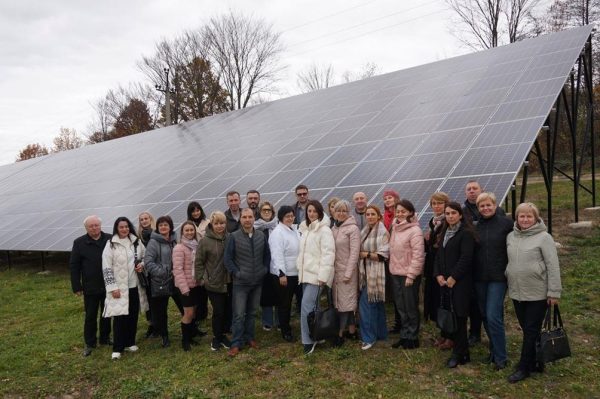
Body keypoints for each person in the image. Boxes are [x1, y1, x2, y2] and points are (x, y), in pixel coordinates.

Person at [505, 202, 561, 383]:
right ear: (517, 218)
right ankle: (537, 361)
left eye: (529, 216)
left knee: (530, 330)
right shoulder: (511, 237)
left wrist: (554, 292)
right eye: (522, 216)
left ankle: (524, 367)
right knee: (530, 330)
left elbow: (553, 266)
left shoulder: (544, 237)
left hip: (537, 292)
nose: (525, 219)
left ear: (536, 219)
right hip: (517, 292)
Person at [434, 202, 477, 368]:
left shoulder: (465, 233)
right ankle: (462, 352)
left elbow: (466, 258)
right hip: (445, 282)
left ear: (460, 215)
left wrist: (454, 277)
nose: (450, 216)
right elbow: (439, 255)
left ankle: (459, 353)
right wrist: (438, 274)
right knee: (452, 315)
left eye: (453, 213)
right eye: (447, 213)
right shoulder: (444, 231)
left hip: (460, 283)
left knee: (459, 317)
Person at [474, 192, 513, 370]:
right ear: (478, 208)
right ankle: (494, 349)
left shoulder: (506, 223)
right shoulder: (475, 226)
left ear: (495, 205)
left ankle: (501, 357)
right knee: (484, 315)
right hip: (480, 277)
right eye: (482, 206)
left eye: (488, 205)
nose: (485, 208)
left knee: (493, 315)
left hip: (498, 277)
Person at [224, 208, 270, 357]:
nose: (247, 219)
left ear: (253, 218)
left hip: (257, 282)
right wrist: (237, 273)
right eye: (244, 217)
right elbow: (228, 259)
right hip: (241, 284)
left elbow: (267, 256)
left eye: (250, 217)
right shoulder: (233, 237)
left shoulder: (261, 236)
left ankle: (249, 337)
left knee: (251, 312)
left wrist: (264, 270)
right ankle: (236, 343)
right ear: (241, 220)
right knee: (238, 314)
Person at [102, 216, 149, 360]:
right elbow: (106, 268)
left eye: (127, 226)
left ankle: (130, 342)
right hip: (119, 288)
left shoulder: (136, 241)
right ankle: (117, 347)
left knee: (133, 315)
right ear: (117, 228)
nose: (124, 229)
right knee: (120, 318)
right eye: (121, 227)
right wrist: (112, 287)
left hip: (134, 286)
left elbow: (146, 256)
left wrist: (142, 265)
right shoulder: (111, 244)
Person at [70, 215, 112, 357]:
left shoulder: (110, 239)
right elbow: (74, 266)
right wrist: (77, 286)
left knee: (107, 313)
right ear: (86, 228)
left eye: (96, 225)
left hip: (108, 284)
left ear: (100, 225)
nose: (94, 228)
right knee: (90, 315)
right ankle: (90, 342)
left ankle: (105, 338)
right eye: (91, 226)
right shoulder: (79, 243)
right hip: (90, 286)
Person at [297, 200, 335, 355]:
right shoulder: (306, 230)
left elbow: (328, 254)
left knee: (306, 307)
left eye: (314, 211)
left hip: (316, 276)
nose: (311, 214)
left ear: (320, 212)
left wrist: (323, 276)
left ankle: (308, 340)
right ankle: (318, 335)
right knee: (314, 308)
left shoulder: (324, 230)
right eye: (309, 211)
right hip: (305, 275)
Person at [389, 199, 424, 349]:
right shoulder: (394, 228)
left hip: (408, 275)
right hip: (395, 273)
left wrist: (411, 275)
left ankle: (413, 337)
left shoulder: (415, 230)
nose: (400, 214)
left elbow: (418, 255)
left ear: (410, 212)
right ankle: (404, 335)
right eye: (398, 211)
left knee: (410, 306)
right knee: (401, 307)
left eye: (403, 211)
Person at [195, 211, 232, 351]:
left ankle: (223, 335)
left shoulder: (230, 238)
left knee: (228, 310)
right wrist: (201, 279)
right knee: (218, 311)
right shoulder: (205, 241)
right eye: (216, 223)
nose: (219, 226)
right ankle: (217, 337)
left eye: (222, 223)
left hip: (229, 280)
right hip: (213, 282)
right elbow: (199, 261)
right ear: (211, 224)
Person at [144, 215, 180, 348]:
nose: (163, 227)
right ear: (158, 228)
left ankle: (191, 330)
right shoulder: (153, 242)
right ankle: (165, 337)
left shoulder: (175, 240)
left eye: (166, 225)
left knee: (184, 306)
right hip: (161, 282)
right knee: (161, 312)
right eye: (161, 225)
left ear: (170, 226)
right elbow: (148, 262)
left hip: (176, 280)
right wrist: (164, 272)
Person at [358, 205, 390, 350]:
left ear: (378, 216)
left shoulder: (383, 231)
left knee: (366, 305)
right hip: (365, 272)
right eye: (368, 214)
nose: (370, 216)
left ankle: (368, 338)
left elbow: (384, 254)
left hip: (375, 272)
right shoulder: (365, 230)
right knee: (376, 303)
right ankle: (381, 334)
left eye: (372, 214)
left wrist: (366, 255)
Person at [423, 192, 453, 350]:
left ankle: (450, 336)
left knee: (446, 301)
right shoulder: (433, 222)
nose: (436, 206)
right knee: (437, 300)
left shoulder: (448, 221)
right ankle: (443, 333)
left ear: (446, 204)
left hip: (444, 267)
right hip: (433, 266)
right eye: (434, 203)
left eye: (440, 203)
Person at [331, 199, 361, 346]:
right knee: (342, 303)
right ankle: (352, 330)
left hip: (347, 271)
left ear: (348, 213)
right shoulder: (334, 228)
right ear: (334, 212)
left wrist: (348, 273)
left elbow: (355, 252)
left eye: (344, 211)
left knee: (345, 304)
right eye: (338, 210)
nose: (341, 213)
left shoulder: (353, 229)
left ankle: (340, 334)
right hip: (336, 272)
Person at [268, 205, 300, 342]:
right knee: (284, 304)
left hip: (297, 273)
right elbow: (277, 254)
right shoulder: (277, 232)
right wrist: (282, 274)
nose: (290, 218)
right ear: (281, 217)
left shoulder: (294, 230)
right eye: (287, 216)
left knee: (295, 302)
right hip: (284, 275)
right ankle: (285, 330)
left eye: (292, 215)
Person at [173, 221, 202, 351]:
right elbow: (177, 270)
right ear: (182, 232)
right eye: (187, 230)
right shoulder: (179, 248)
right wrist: (184, 288)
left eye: (192, 230)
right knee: (188, 313)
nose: (190, 232)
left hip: (196, 285)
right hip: (185, 287)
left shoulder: (196, 246)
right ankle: (185, 341)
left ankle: (191, 336)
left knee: (193, 312)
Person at [254, 201, 279, 331]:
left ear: (272, 212)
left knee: (279, 293)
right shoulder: (255, 228)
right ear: (260, 212)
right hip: (262, 266)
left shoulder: (278, 226)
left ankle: (280, 321)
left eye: (269, 210)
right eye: (264, 210)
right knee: (266, 294)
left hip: (277, 265)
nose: (266, 212)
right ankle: (267, 321)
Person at [186, 202, 209, 333]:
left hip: (208, 256)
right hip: (194, 259)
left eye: (197, 210)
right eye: (193, 211)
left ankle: (204, 312)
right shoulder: (188, 225)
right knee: (198, 288)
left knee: (206, 287)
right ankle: (199, 314)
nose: (196, 213)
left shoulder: (208, 222)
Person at [381, 188, 402, 334]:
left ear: (396, 198)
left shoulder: (402, 214)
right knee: (395, 292)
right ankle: (397, 323)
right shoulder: (384, 217)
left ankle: (404, 323)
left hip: (401, 257)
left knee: (402, 292)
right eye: (385, 198)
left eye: (390, 197)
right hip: (389, 258)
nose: (388, 200)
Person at [137, 211, 157, 338]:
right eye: (141, 219)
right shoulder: (138, 237)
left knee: (155, 300)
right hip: (145, 272)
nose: (144, 221)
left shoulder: (156, 233)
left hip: (155, 271)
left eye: (146, 218)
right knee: (148, 299)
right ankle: (151, 324)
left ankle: (157, 325)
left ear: (151, 219)